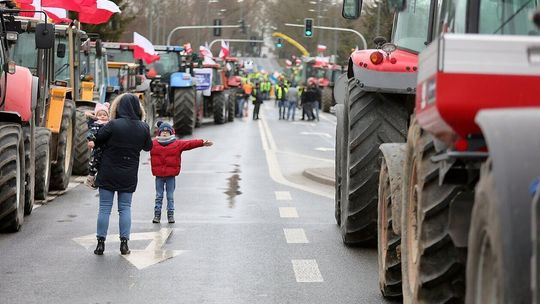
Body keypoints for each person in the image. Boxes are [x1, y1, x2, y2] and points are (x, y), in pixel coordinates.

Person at [93, 93, 153, 256]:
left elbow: (97, 140)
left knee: (104, 208)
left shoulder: (113, 125)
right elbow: (148, 147)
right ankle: (124, 244)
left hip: (108, 171)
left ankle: (100, 244)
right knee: (125, 208)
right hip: (129, 173)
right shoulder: (143, 127)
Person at [150, 121, 213, 224]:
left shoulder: (176, 144)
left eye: (167, 131)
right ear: (159, 133)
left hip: (171, 176)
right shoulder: (153, 144)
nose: (165, 133)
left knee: (170, 196)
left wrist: (202, 142)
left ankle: (170, 215)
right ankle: (157, 215)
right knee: (159, 196)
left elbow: (189, 144)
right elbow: (140, 142)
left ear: (171, 133)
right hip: (159, 176)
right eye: (163, 131)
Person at [84, 102, 110, 189]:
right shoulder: (96, 124)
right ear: (96, 116)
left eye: (104, 115)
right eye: (100, 115)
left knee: (104, 165)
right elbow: (91, 132)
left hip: (107, 148)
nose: (102, 116)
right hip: (98, 149)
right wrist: (91, 140)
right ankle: (90, 179)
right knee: (95, 163)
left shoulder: (110, 124)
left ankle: (99, 179)